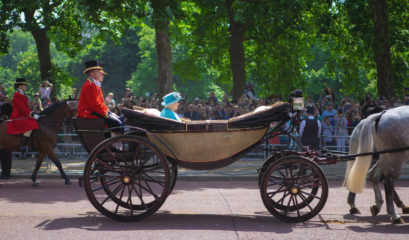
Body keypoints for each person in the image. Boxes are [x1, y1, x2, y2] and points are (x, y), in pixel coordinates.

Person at [77, 60, 121, 128]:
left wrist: (108, 112)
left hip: (93, 112)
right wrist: (107, 113)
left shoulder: (94, 85)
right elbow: (95, 105)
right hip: (88, 113)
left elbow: (100, 103)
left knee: (118, 121)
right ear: (92, 74)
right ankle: (116, 138)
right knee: (116, 123)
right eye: (99, 72)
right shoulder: (90, 85)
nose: (102, 74)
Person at [6, 78, 40, 152]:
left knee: (34, 122)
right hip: (18, 116)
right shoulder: (17, 94)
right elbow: (22, 108)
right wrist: (32, 114)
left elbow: (25, 108)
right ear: (20, 86)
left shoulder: (22, 94)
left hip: (23, 115)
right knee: (31, 125)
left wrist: (33, 112)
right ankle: (23, 145)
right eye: (24, 85)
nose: (25, 86)